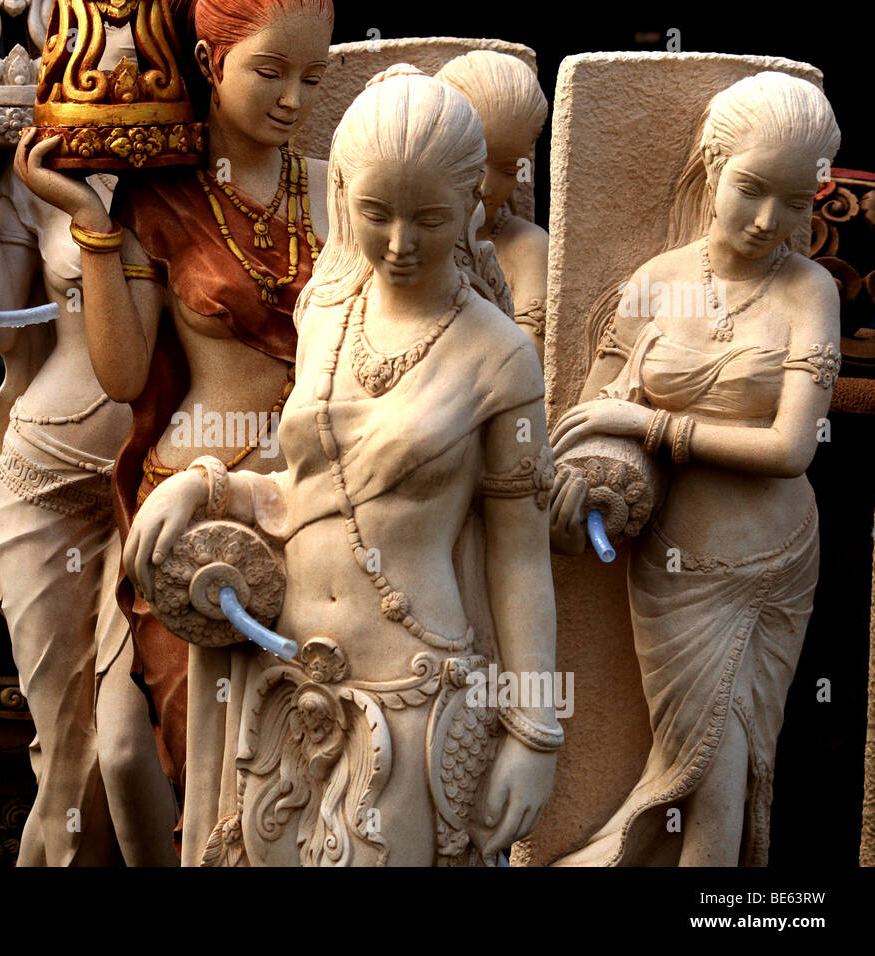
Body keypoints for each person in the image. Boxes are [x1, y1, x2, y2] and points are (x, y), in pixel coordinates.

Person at [126, 66, 558, 865]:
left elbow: (521, 557)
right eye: (376, 214)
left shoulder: (501, 357)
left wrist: (535, 730)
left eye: (429, 218)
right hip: (286, 673)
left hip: (410, 688)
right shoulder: (325, 312)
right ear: (344, 195)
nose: (399, 244)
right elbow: (307, 494)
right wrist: (204, 483)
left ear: (470, 205)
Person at [14, 0, 335, 841]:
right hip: (183, 502)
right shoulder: (159, 205)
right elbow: (123, 376)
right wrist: (89, 224)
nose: (294, 98)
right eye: (270, 71)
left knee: (287, 751)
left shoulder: (338, 191)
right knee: (132, 754)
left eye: (313, 76)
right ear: (206, 59)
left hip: (305, 496)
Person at [549, 71, 841, 866]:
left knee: (736, 762)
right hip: (677, 567)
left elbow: (790, 449)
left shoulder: (810, 290)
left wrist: (653, 421)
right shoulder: (657, 284)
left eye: (794, 201)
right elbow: (591, 413)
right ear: (713, 166)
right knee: (700, 763)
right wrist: (587, 475)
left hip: (775, 557)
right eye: (750, 188)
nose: (767, 220)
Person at [0, 24, 180, 864]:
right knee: (63, 747)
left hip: (155, 482)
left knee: (127, 745)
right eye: (101, 54)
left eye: (136, 55)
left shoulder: (187, 187)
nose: (116, 71)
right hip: (41, 482)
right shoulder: (42, 174)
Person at [437, 50, 549, 362]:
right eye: (470, 161)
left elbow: (528, 363)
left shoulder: (528, 247)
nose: (485, 185)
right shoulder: (405, 237)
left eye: (508, 170)